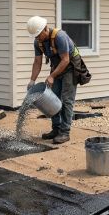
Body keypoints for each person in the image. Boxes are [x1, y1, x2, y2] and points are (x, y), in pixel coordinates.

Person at [26, 16, 79, 144]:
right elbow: (37, 62)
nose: (37, 38)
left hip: (70, 68)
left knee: (66, 100)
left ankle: (65, 132)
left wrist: (51, 76)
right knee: (52, 98)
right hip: (57, 67)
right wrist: (32, 80)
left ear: (45, 29)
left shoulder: (59, 36)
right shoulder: (37, 42)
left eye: (39, 35)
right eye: (35, 36)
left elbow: (65, 60)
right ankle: (56, 129)